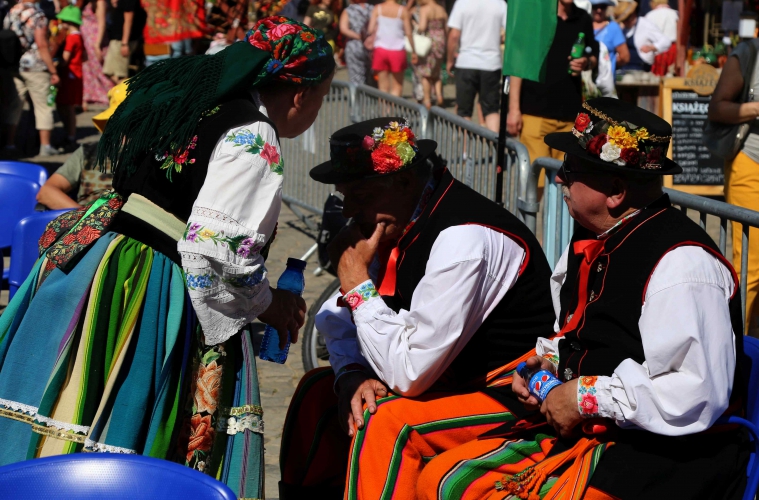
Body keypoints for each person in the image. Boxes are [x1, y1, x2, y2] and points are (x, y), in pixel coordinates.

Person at [0, 18, 335, 500]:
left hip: (99, 257)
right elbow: (215, 252)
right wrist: (270, 304)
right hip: (153, 281)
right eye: (322, 98)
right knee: (127, 422)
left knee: (68, 399)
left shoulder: (190, 97)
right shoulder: (252, 132)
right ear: (300, 95)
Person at [416, 97, 749, 499]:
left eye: (571, 169)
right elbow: (578, 333)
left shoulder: (682, 265)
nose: (559, 178)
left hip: (667, 455)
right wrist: (547, 366)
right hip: (599, 432)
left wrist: (583, 398)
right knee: (440, 480)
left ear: (616, 191)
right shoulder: (595, 236)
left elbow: (695, 394)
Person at [278, 117, 557, 499]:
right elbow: (333, 317)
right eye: (345, 197)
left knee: (387, 423)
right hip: (441, 378)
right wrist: (353, 374)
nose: (350, 211)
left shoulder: (463, 240)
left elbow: (409, 374)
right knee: (318, 392)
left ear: (405, 182)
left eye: (361, 196)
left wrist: (356, 283)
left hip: (509, 393)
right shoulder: (396, 219)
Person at [507, 0, 598, 169]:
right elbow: (518, 64)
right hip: (535, 113)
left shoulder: (583, 18)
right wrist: (513, 110)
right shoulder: (535, 17)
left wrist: (586, 62)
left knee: (564, 180)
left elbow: (594, 55)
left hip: (570, 117)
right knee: (536, 180)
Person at [709, 36, 759, 337]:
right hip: (751, 164)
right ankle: (736, 345)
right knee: (752, 264)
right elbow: (717, 108)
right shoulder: (750, 52)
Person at [37, 81, 126, 210]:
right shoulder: (90, 152)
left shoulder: (155, 157)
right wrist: (85, 218)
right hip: (87, 218)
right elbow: (46, 192)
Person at [1, 0, 61, 156]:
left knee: (14, 105)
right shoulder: (38, 15)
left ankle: (9, 144)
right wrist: (53, 70)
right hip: (35, 66)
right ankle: (45, 146)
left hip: (14, 64)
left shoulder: (12, 11)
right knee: (43, 106)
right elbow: (42, 44)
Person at [446, 0, 505, 133]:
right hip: (491, 63)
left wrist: (449, 60)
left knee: (464, 111)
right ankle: (494, 144)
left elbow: (454, 35)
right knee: (491, 110)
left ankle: (465, 147)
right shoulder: (500, 3)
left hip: (466, 62)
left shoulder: (462, 3)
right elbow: (510, 32)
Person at [368, 0, 416, 97]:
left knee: (382, 87)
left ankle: (383, 106)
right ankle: (393, 106)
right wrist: (414, 51)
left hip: (380, 49)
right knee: (397, 87)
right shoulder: (403, 10)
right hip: (397, 50)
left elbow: (370, 29)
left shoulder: (377, 9)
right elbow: (409, 33)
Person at [55, 6, 87, 151]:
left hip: (69, 76)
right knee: (69, 107)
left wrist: (54, 64)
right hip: (76, 75)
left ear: (68, 22)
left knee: (67, 108)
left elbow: (65, 60)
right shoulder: (79, 36)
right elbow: (85, 57)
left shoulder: (71, 38)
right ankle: (70, 135)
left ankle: (70, 136)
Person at [613, 0, 669, 73]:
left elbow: (665, 41)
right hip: (623, 68)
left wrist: (651, 47)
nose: (628, 21)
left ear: (634, 13)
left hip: (641, 68)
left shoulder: (645, 24)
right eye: (625, 20)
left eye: (629, 17)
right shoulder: (624, 29)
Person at [102, 0, 146, 84]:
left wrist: (124, 43)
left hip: (122, 41)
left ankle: (131, 91)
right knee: (109, 72)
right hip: (116, 39)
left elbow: (128, 20)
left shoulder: (129, 2)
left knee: (120, 75)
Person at [412, 0, 446, 109]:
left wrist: (415, 25)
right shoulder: (441, 9)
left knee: (425, 72)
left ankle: (427, 100)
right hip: (440, 41)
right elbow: (446, 28)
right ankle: (439, 95)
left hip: (428, 42)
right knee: (436, 71)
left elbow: (422, 27)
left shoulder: (425, 9)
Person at [80, 0, 114, 109]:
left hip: (95, 40)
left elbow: (102, 23)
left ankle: (112, 95)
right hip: (86, 40)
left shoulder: (100, 2)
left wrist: (97, 44)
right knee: (87, 69)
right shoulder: (86, 2)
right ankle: (89, 97)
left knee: (100, 69)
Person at [590, 0, 629, 74]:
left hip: (605, 78)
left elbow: (625, 57)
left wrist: (609, 63)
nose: (599, 10)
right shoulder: (584, 24)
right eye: (595, 7)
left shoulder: (613, 27)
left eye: (602, 7)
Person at [339, 0, 372, 86]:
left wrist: (359, 37)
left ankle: (357, 94)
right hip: (371, 48)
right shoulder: (373, 9)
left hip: (354, 46)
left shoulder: (348, 10)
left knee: (356, 80)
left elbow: (343, 29)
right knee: (370, 78)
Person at [644, 0, 678, 76]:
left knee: (657, 76)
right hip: (673, 50)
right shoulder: (675, 14)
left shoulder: (649, 15)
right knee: (672, 75)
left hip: (657, 49)